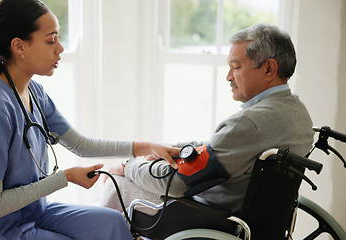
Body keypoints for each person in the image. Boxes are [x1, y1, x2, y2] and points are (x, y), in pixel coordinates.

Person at [0, 0, 179, 239]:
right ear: (19, 46)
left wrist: (146, 147)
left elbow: (80, 145)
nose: (60, 48)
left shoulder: (33, 93)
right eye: (51, 40)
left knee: (112, 222)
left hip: (31, 212)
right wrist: (65, 178)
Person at [101, 23, 314, 215]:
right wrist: (174, 150)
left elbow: (175, 184)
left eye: (236, 67)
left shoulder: (249, 123)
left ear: (268, 69)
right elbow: (221, 149)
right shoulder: (298, 114)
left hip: (211, 216)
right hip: (260, 218)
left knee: (118, 183)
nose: (228, 76)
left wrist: (129, 166)